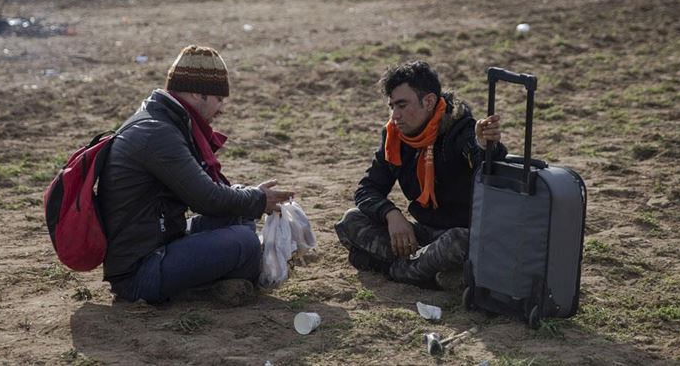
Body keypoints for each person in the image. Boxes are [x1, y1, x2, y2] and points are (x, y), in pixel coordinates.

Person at [99, 45, 294, 305]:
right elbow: (207, 199)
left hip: (161, 240)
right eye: (219, 98)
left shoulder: (163, 121)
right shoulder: (156, 133)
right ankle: (215, 284)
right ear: (195, 93)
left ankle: (217, 280)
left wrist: (251, 198)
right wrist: (258, 199)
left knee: (240, 213)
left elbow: (209, 194)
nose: (222, 108)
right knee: (245, 242)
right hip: (140, 272)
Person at [335, 61, 506, 289]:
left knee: (459, 242)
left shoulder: (461, 130)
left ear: (429, 101)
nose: (395, 115)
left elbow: (488, 168)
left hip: (457, 235)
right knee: (351, 220)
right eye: (392, 106)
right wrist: (391, 214)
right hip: (422, 235)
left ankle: (390, 269)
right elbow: (367, 189)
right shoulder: (394, 137)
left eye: (402, 105)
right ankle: (428, 275)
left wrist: (485, 146)